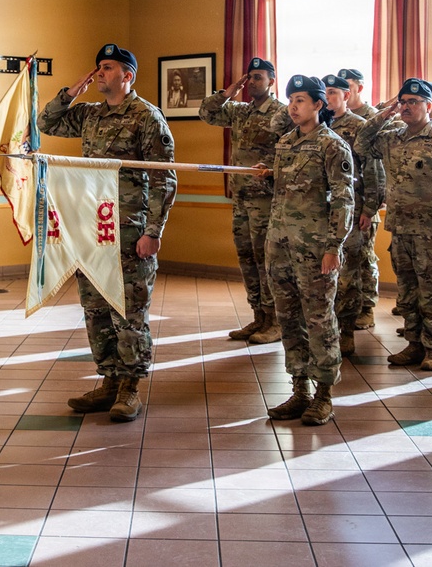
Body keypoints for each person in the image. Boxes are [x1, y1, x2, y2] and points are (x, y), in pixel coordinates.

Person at [38, 44, 177, 422]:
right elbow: (46, 123)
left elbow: (165, 177)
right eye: (98, 66)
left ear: (127, 76)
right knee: (96, 310)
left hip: (129, 230)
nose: (100, 72)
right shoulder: (90, 115)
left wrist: (154, 231)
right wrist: (70, 94)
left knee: (128, 312)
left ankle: (130, 388)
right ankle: (109, 381)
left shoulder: (147, 117)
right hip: (93, 229)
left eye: (108, 67)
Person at [355, 78, 432, 372]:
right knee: (407, 292)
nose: (407, 107)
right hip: (402, 228)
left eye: (414, 102)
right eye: (403, 101)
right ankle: (413, 343)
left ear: (429, 106)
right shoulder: (392, 137)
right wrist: (386, 112)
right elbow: (361, 141)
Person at [263, 75, 354, 426]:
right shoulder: (285, 143)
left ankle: (324, 394)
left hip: (315, 250)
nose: (293, 106)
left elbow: (343, 199)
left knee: (319, 320)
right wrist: (268, 176)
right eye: (290, 100)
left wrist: (334, 247)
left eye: (300, 100)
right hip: (281, 246)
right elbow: (289, 190)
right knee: (288, 319)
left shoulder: (333, 145)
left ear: (319, 105)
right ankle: (299, 389)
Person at [199, 57, 292, 345]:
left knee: (268, 261)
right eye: (250, 77)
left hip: (266, 199)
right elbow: (207, 113)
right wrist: (228, 92)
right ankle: (258, 316)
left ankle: (275, 320)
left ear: (272, 82)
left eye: (259, 77)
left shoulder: (283, 113)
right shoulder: (240, 112)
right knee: (247, 259)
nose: (252, 82)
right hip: (241, 198)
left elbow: (291, 151)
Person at [322, 74, 385, 356]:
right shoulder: (317, 126)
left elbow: (373, 171)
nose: (327, 98)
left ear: (346, 96)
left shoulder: (360, 128)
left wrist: (370, 209)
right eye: (323, 93)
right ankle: (326, 329)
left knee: (348, 274)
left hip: (351, 210)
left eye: (333, 92)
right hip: (319, 213)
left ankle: (346, 332)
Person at [338, 68, 381, 328]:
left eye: (349, 86)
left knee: (364, 255)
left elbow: (376, 167)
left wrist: (371, 204)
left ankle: (367, 306)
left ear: (358, 88)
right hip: (345, 202)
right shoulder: (331, 118)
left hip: (363, 199)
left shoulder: (369, 119)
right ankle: (351, 308)